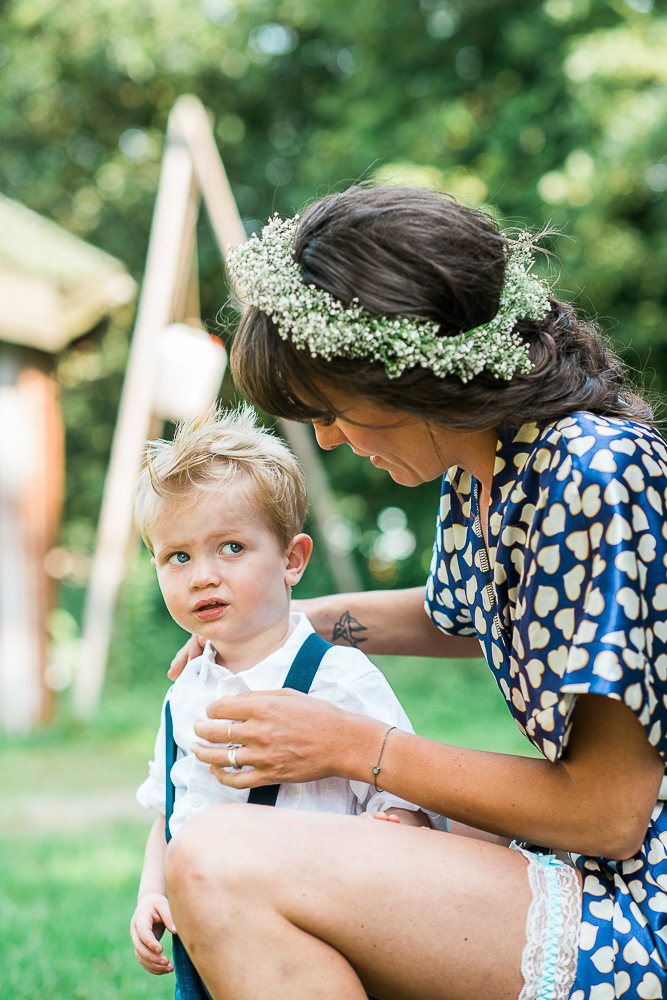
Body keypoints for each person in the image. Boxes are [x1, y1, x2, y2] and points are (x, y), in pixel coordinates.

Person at [164, 186, 667, 1000]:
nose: (325, 437)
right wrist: (282, 623)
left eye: (331, 409)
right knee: (299, 835)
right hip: (612, 866)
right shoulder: (494, 468)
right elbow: (458, 616)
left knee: (222, 863)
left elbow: (606, 814)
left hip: (644, 902)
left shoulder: (593, 469)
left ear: (412, 372)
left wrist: (354, 747)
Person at [128, 405, 437, 984]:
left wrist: (382, 845)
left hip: (316, 942)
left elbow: (404, 810)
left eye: (232, 548)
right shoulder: (185, 693)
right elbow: (171, 812)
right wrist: (152, 892)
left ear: (292, 559)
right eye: (178, 556)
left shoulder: (339, 678)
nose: (202, 576)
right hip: (205, 939)